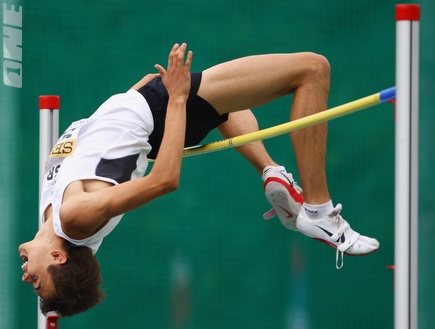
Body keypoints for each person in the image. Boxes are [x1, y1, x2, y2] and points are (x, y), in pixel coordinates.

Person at [19, 43, 379, 317]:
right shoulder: (76, 218)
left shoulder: (52, 221)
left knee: (226, 103)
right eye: (36, 281)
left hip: (142, 109)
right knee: (313, 69)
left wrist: (127, 98)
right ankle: (319, 211)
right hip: (158, 113)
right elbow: (164, 180)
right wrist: (176, 98)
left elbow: (94, 150)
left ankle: (271, 171)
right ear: (57, 257)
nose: (25, 277)